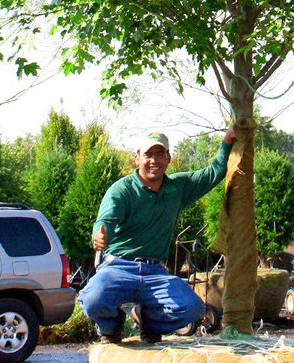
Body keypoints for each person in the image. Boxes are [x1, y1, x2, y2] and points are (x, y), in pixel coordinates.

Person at [79, 126, 236, 343]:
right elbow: (105, 222)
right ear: (137, 158)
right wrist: (100, 236)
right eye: (148, 155)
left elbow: (214, 173)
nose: (154, 160)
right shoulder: (122, 190)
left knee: (192, 309)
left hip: (154, 272)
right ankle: (111, 326)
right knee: (93, 300)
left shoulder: (177, 188)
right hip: (118, 267)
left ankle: (148, 321)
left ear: (168, 158)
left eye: (160, 154)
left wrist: (227, 141)